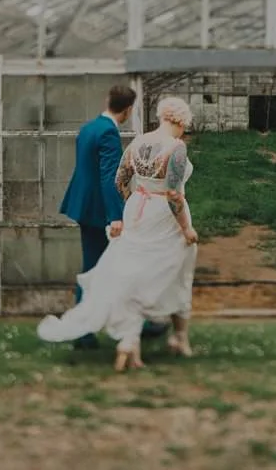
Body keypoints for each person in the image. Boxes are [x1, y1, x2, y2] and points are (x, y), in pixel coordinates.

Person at [38, 96, 199, 371]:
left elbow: (120, 179)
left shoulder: (137, 142)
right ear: (180, 122)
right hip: (164, 214)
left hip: (138, 208)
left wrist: (133, 203)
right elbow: (173, 194)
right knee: (177, 270)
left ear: (161, 117)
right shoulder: (176, 148)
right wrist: (186, 227)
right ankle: (179, 337)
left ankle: (130, 339)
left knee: (132, 273)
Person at [56, 84, 166, 350]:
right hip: (99, 212)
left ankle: (89, 331)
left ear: (108, 101)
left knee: (94, 268)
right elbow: (108, 177)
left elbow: (87, 171)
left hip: (83, 206)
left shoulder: (88, 128)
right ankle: (120, 327)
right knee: (114, 268)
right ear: (128, 110)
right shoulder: (108, 132)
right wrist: (115, 216)